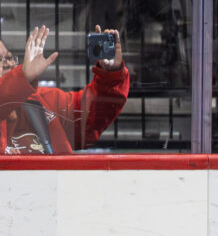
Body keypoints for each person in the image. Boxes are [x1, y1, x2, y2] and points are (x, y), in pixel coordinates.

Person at [1, 26, 129, 155]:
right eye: (0, 60)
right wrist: (22, 78)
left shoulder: (41, 100)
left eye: (9, 57)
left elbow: (90, 117)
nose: (8, 64)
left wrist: (110, 74)